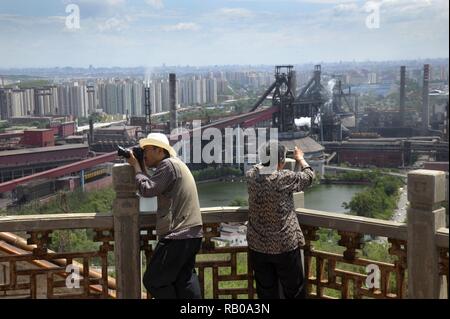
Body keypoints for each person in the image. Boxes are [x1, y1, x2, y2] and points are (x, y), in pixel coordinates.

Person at [126, 132, 203, 299]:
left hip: (178, 235)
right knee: (184, 280)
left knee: (153, 280)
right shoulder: (175, 165)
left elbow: (147, 189)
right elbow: (154, 184)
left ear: (160, 151)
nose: (144, 153)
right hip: (192, 233)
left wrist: (136, 167)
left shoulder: (168, 165)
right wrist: (141, 166)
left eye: (147, 150)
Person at [245, 141, 315, 299]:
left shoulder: (250, 176)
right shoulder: (284, 178)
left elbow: (259, 168)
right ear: (281, 162)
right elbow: (309, 177)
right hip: (284, 245)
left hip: (258, 246)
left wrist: (268, 160)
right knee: (294, 291)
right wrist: (300, 159)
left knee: (266, 292)